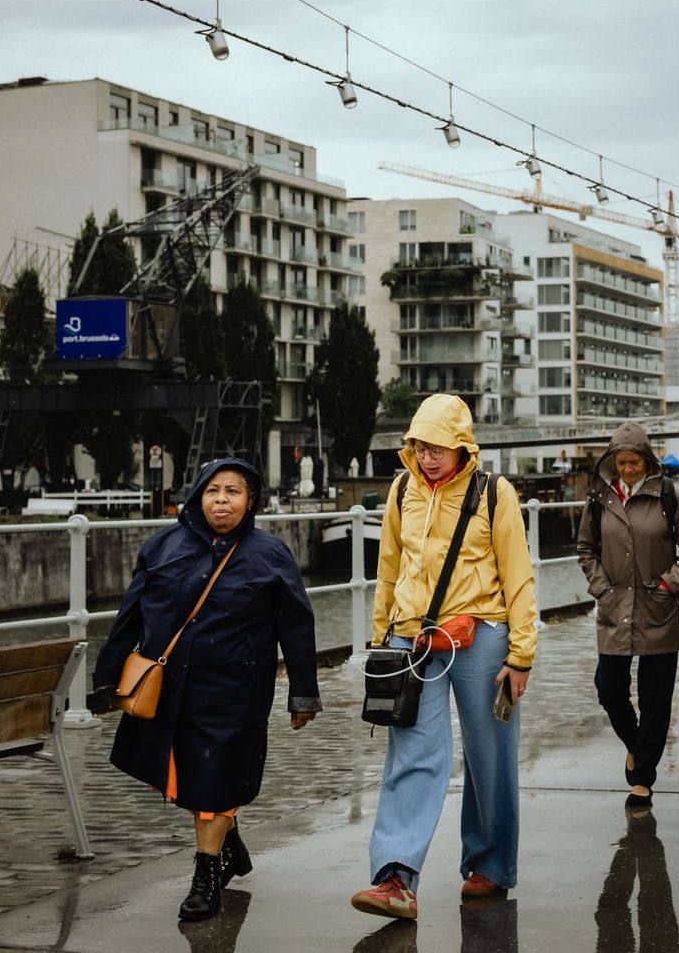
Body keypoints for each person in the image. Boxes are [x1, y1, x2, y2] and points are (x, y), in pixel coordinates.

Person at [92, 457, 320, 923]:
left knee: (213, 785)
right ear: (198, 495)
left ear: (250, 500)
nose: (222, 500)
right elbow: (130, 616)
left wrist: (303, 693)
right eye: (213, 490)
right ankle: (228, 843)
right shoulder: (161, 548)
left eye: (233, 491)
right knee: (186, 783)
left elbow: (296, 626)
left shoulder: (270, 555)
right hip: (169, 691)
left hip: (236, 692)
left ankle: (205, 877)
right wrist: (106, 676)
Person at [350, 395, 538, 924]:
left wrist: (521, 655)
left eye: (438, 447)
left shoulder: (493, 493)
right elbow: (389, 566)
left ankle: (491, 865)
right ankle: (395, 876)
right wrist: (381, 639)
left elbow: (519, 576)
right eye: (419, 446)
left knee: (490, 756)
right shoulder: (402, 489)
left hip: (482, 638)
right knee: (411, 755)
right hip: (414, 640)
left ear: (462, 446)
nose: (428, 457)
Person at [576, 420, 679, 807]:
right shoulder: (599, 497)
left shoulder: (671, 495)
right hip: (615, 607)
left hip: (658, 608)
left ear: (647, 460)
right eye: (622, 463)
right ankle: (635, 745)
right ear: (612, 462)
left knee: (656, 698)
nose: (629, 470)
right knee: (609, 688)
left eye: (635, 462)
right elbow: (586, 548)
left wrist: (670, 584)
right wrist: (602, 588)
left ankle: (643, 779)